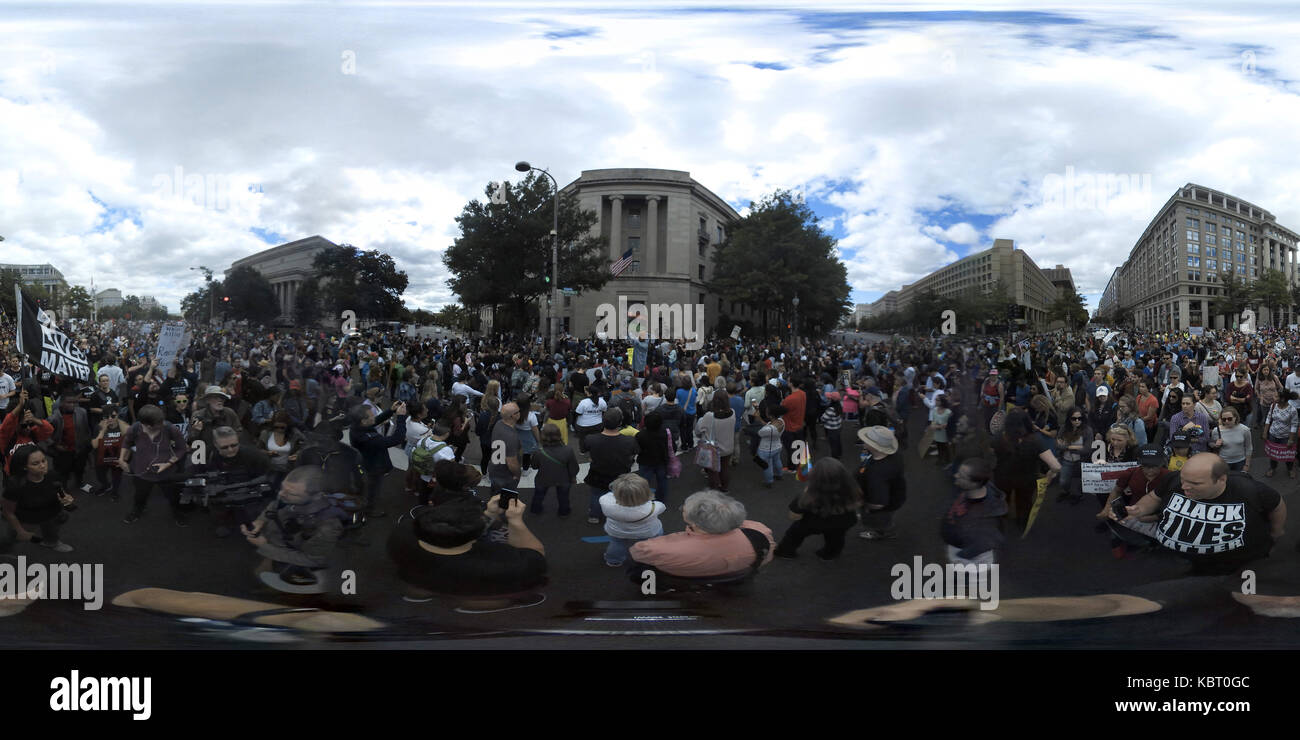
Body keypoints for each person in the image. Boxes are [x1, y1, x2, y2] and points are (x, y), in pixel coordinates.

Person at [1112, 452, 1285, 575]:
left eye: (1195, 483)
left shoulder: (1249, 490)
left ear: (1221, 479)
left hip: (1235, 567)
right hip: (1183, 564)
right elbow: (1154, 497)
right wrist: (1139, 509)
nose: (1185, 487)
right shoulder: (1173, 480)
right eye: (1183, 480)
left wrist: (1277, 530)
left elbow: (1277, 505)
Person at [387, 495, 547, 612]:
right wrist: (515, 521)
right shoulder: (503, 564)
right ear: (474, 536)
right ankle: (481, 607)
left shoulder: (401, 534)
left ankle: (420, 595)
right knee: (488, 600)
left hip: (420, 578)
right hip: (475, 590)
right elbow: (535, 555)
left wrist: (488, 515)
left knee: (419, 586)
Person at [627, 489, 774, 580]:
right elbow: (767, 557)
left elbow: (636, 552)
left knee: (640, 569)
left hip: (684, 578)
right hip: (738, 575)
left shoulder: (659, 549)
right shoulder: (760, 531)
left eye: (683, 509)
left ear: (695, 522)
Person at [242, 466, 344, 590]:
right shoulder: (290, 496)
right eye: (281, 488)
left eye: (291, 494)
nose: (281, 494)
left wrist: (264, 546)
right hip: (277, 546)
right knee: (261, 573)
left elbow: (314, 560)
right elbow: (274, 506)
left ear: (317, 496)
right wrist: (260, 521)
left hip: (296, 561)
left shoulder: (328, 527)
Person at [774, 457, 862, 560]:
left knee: (795, 533)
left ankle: (785, 551)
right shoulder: (853, 488)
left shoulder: (809, 495)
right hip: (844, 521)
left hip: (815, 522)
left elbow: (794, 516)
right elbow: (858, 502)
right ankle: (830, 554)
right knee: (836, 538)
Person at [120, 404, 190, 526]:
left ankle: (178, 513)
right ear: (147, 425)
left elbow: (181, 449)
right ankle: (137, 511)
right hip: (142, 472)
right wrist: (121, 459)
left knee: (173, 496)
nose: (163, 424)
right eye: (159, 423)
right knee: (140, 495)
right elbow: (126, 442)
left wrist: (168, 464)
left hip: (167, 473)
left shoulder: (170, 428)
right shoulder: (135, 429)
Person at [992, 409, 1061, 532]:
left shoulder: (998, 438)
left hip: (1002, 478)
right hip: (1026, 480)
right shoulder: (1035, 441)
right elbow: (1056, 466)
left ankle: (1001, 522)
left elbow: (989, 459)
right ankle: (1022, 523)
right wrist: (1050, 475)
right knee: (1024, 502)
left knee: (1002, 500)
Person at [1098, 444, 1170, 559]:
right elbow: (1116, 490)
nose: (1150, 471)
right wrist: (1106, 509)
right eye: (1145, 466)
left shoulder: (1169, 477)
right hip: (1135, 512)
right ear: (1139, 462)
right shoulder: (1129, 473)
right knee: (1116, 526)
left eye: (1155, 466)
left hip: (1161, 516)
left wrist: (1156, 517)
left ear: (1162, 462)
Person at [2, 446, 76, 552]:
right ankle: (4, 549)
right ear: (24, 467)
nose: (43, 466)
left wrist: (67, 499)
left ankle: (51, 543)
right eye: (35, 463)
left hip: (50, 513)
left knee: (51, 531)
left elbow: (61, 493)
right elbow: (8, 512)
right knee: (12, 538)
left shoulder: (52, 475)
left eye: (44, 460)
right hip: (26, 518)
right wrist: (20, 531)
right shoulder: (16, 485)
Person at [348, 400, 409, 518]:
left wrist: (391, 411)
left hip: (366, 461)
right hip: (373, 467)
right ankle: (369, 509)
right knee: (373, 489)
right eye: (371, 416)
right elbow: (397, 439)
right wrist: (401, 417)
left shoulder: (357, 427)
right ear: (363, 421)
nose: (374, 417)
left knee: (369, 487)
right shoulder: (368, 439)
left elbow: (374, 421)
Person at [941, 457, 1008, 565]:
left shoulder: (985, 519)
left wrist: (961, 555)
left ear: (974, 483)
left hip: (968, 558)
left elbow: (987, 542)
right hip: (959, 545)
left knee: (965, 577)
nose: (956, 476)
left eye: (962, 476)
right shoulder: (970, 490)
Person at [583, 408, 639, 524]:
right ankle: (617, 516)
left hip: (598, 472)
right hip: (620, 473)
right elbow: (634, 453)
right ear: (620, 423)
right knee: (619, 495)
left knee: (596, 494)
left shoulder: (591, 439)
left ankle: (594, 515)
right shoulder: (629, 441)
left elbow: (585, 450)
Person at [600, 473, 667, 567]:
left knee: (617, 544)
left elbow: (609, 493)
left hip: (617, 530)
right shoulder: (653, 507)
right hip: (646, 532)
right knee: (650, 543)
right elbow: (663, 507)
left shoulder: (606, 502)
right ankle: (647, 559)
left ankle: (614, 560)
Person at [856, 426, 907, 540]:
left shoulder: (877, 474)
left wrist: (865, 506)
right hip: (895, 496)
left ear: (875, 447)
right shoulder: (894, 455)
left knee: (880, 521)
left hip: (882, 506)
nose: (863, 440)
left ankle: (882, 533)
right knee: (885, 516)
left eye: (867, 440)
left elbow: (878, 504)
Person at [532, 423, 578, 515]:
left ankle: (535, 510)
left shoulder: (539, 452)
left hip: (543, 478)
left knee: (538, 495)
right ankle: (563, 513)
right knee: (563, 497)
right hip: (563, 478)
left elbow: (534, 466)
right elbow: (574, 467)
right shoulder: (568, 450)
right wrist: (573, 477)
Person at [694, 392, 737, 492]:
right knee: (725, 468)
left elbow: (699, 430)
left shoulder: (709, 416)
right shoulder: (732, 412)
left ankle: (715, 490)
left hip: (714, 448)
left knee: (713, 471)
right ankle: (724, 487)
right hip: (728, 446)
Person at [91, 408, 129, 500]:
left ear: (117, 416)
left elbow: (129, 444)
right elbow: (94, 445)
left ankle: (115, 491)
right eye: (106, 417)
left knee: (116, 477)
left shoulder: (124, 427)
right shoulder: (99, 427)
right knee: (100, 475)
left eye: (113, 416)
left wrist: (124, 459)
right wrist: (103, 431)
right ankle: (106, 486)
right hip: (101, 457)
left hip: (116, 458)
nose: (109, 419)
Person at [1262, 388, 1299, 478]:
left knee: (1287, 454)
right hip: (1273, 434)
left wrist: (1290, 439)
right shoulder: (1273, 406)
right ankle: (1272, 468)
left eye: (1276, 396)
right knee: (1273, 453)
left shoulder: (1292, 410)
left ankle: (1290, 469)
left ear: (1282, 399)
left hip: (1285, 437)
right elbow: (1268, 418)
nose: (1273, 397)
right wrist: (1265, 432)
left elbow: (1294, 425)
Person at [635, 411, 671, 503]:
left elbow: (636, 449)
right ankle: (661, 500)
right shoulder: (665, 433)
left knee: (644, 482)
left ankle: (643, 499)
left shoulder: (640, 435)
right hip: (662, 460)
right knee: (662, 481)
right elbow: (671, 446)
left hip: (645, 461)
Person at [1209, 408, 1252, 472]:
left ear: (1235, 417)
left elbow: (1249, 447)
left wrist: (1247, 464)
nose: (1226, 421)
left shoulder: (1244, 429)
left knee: (1238, 480)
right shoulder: (1216, 430)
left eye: (1229, 419)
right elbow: (1211, 443)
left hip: (1240, 461)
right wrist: (1215, 445)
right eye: (1224, 419)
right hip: (1224, 461)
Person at [756, 405, 785, 488]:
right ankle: (779, 474)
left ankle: (768, 481)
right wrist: (760, 419)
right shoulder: (781, 421)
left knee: (766, 466)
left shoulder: (768, 429)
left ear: (771, 415)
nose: (766, 412)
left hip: (766, 449)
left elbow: (760, 433)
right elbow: (768, 424)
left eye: (767, 411)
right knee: (777, 460)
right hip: (778, 445)